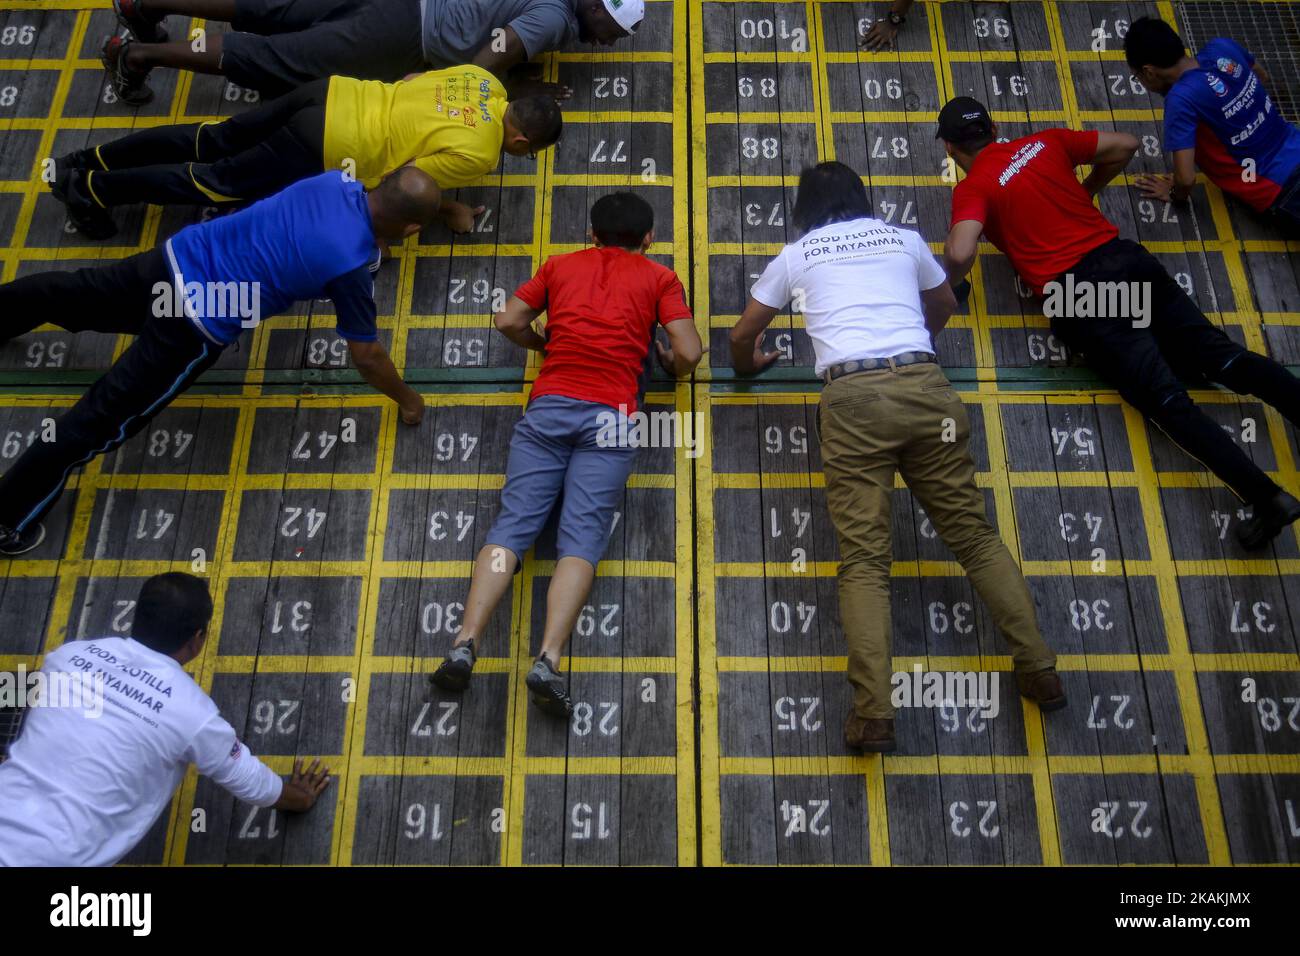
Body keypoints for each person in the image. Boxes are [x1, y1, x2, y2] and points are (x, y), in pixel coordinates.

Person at [728, 161, 1065, 754]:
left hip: (853, 400)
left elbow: (742, 332)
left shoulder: (799, 254)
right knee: (974, 537)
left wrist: (747, 364)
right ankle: (1038, 667)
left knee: (864, 562)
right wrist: (917, 346)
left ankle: (874, 713)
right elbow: (943, 305)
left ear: (805, 206)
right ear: (863, 197)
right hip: (926, 386)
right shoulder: (903, 238)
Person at [0, 167, 441, 556]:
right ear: (411, 228)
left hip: (171, 262)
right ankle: (7, 518)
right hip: (193, 325)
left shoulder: (332, 182)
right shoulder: (351, 264)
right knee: (97, 420)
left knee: (68, 294)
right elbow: (366, 356)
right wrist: (408, 400)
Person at [937, 96, 1300, 551]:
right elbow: (1125, 144)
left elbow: (960, 250)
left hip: (1080, 292)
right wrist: (1088, 189)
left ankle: (1267, 498)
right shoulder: (1046, 142)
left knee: (1168, 400)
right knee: (1223, 358)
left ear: (951, 149)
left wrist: (952, 284)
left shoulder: (974, 187)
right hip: (1125, 259)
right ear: (995, 128)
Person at [429, 192, 702, 716]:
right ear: (649, 239)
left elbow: (508, 320)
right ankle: (548, 658)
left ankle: (464, 642)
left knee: (511, 528)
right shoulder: (660, 278)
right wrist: (671, 363)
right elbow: (688, 351)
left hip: (550, 405)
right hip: (612, 416)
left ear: (590, 235)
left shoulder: (559, 266)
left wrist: (544, 347)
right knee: (580, 539)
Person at [0, 573, 330, 866]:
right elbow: (249, 779)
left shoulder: (67, 656)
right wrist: (300, 798)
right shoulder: (192, 713)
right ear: (197, 639)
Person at [52, 64, 562, 240]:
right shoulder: (483, 153)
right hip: (329, 141)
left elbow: (410, 81)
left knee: (214, 137)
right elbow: (407, 183)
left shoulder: (483, 80)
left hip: (333, 92)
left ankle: (89, 158)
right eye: (531, 152)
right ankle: (88, 190)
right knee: (216, 180)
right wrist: (450, 210)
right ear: (521, 140)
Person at [102, 0, 643, 103]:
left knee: (273, 7)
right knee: (280, 56)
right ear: (596, 9)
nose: (606, 41)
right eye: (611, 30)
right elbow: (494, 53)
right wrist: (502, 86)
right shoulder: (553, 20)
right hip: (403, 36)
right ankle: (139, 57)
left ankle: (143, 3)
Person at [1122, 17, 1300, 228]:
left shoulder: (1181, 99)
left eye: (1137, 77)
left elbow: (1186, 179)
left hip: (1278, 187)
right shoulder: (1222, 47)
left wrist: (1174, 192)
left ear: (1149, 71)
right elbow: (1261, 76)